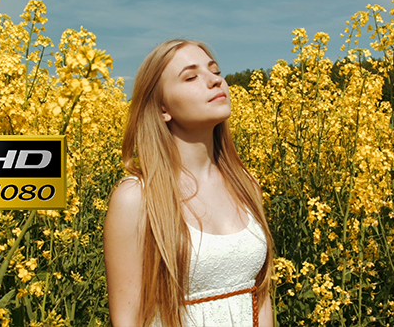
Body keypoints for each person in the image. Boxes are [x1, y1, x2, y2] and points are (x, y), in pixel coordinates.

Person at [104, 39, 274, 327]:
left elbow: (261, 298)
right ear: (162, 110)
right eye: (191, 77)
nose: (215, 81)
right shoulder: (136, 197)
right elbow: (126, 319)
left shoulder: (246, 184)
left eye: (215, 71)